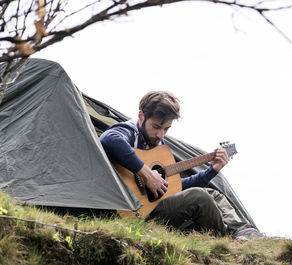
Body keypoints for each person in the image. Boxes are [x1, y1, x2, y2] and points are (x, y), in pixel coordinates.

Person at [100, 91, 265, 240]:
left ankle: (244, 232)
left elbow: (175, 187)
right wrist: (147, 174)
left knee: (213, 194)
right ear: (141, 116)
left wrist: (211, 171)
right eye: (156, 127)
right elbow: (109, 139)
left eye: (166, 129)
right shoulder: (129, 131)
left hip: (157, 206)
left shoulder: (158, 146)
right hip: (137, 213)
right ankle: (230, 241)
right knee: (199, 197)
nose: (160, 134)